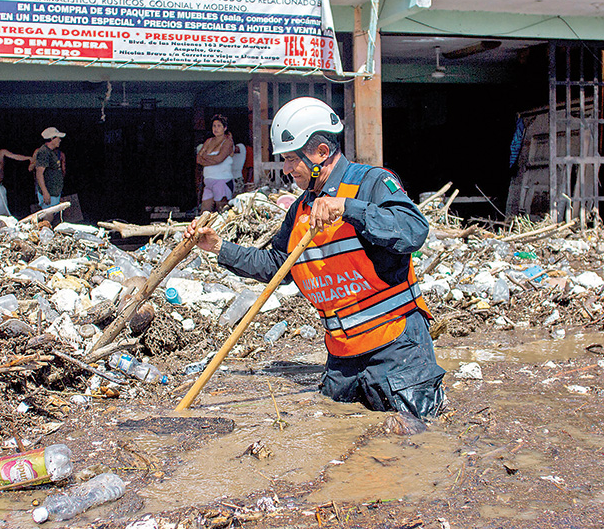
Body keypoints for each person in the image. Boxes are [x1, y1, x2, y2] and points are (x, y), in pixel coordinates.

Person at [186, 97, 446, 419]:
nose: (286, 169)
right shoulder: (301, 210)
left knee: (417, 440)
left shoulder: (372, 183)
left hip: (396, 349)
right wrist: (218, 247)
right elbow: (276, 265)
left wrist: (348, 208)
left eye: (292, 159)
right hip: (343, 359)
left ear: (321, 154)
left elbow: (413, 230)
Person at [196, 114, 235, 212]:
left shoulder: (227, 142)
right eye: (214, 126)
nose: (216, 128)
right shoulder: (209, 141)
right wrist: (211, 160)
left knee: (222, 210)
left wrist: (205, 157)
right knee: (205, 211)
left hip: (222, 180)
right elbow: (198, 159)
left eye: (219, 126)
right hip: (208, 181)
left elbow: (219, 159)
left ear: (225, 128)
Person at [33, 126, 66, 211]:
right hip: (49, 193)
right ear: (52, 138)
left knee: (52, 214)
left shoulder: (52, 152)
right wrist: (45, 192)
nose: (60, 140)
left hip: (54, 192)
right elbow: (39, 173)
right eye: (58, 138)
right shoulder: (44, 152)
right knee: (48, 214)